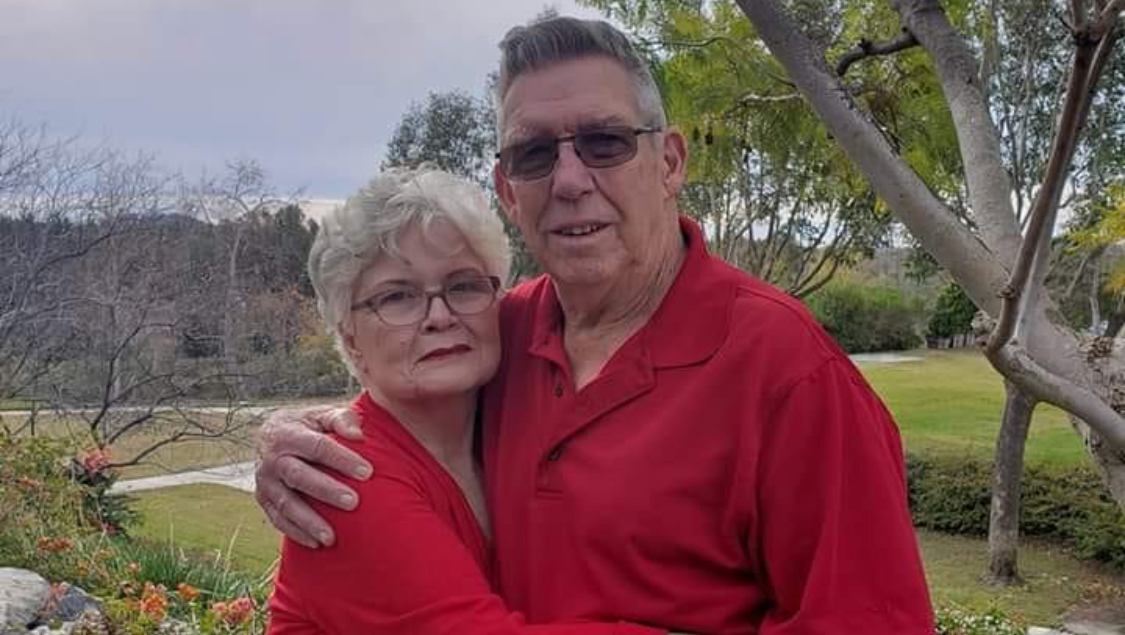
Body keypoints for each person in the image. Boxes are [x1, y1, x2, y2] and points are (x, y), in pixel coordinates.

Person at [257, 16, 936, 634]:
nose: (570, 180)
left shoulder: (788, 373)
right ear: (508, 190)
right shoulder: (499, 337)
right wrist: (287, 439)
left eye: (604, 142)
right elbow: (392, 404)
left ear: (669, 162)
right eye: (533, 154)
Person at [266, 167, 666, 634]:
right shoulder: (340, 477)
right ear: (350, 337)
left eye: (463, 286)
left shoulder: (507, 425)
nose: (439, 316)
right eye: (397, 297)